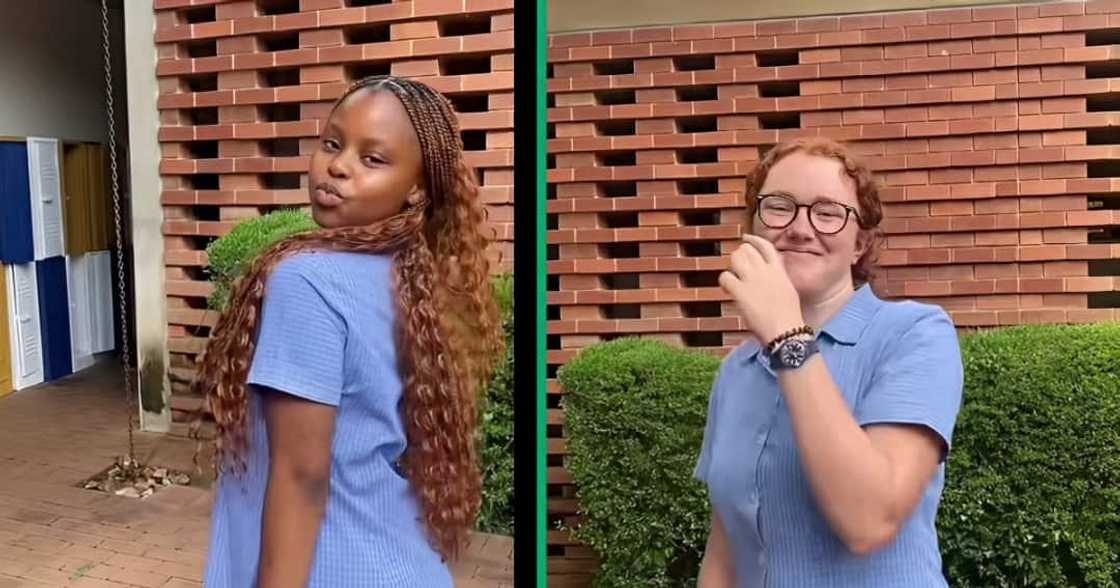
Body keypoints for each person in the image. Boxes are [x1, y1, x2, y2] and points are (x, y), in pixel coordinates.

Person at [192, 75, 503, 587]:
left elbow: (301, 477)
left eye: (372, 158)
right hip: (404, 564)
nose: (337, 166)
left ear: (417, 188)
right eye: (332, 143)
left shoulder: (308, 279)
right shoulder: (411, 279)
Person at [694, 137, 964, 587]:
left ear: (860, 244)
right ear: (755, 226)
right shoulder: (736, 372)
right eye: (779, 206)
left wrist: (787, 335)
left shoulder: (915, 334)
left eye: (828, 212)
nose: (800, 228)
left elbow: (870, 520)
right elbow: (726, 547)